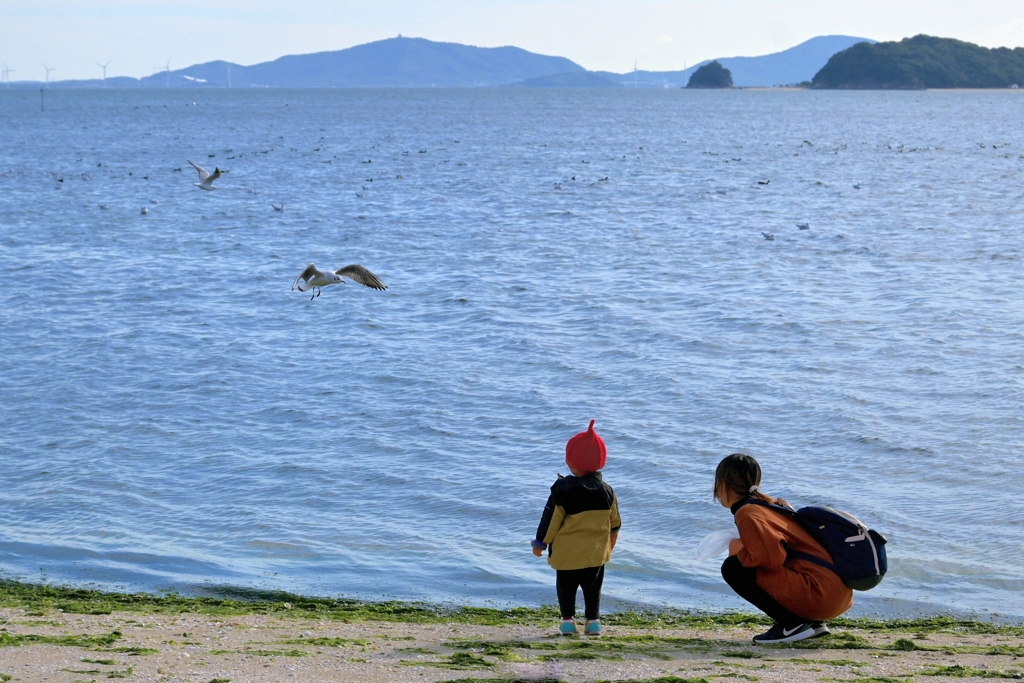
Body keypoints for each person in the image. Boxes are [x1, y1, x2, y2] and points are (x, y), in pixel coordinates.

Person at [715, 453, 853, 644]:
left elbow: (771, 559)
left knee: (732, 568)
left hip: (818, 596)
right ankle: (809, 623)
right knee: (743, 562)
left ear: (722, 485)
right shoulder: (770, 505)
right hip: (836, 596)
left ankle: (792, 625)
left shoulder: (747, 512)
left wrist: (738, 549)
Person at [532, 420, 621, 636]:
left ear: (570, 461)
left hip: (567, 554)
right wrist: (609, 545)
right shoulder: (606, 491)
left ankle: (568, 621)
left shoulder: (563, 489)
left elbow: (551, 518)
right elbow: (615, 522)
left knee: (566, 587)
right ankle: (593, 622)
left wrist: (540, 542)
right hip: (594, 554)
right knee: (593, 588)